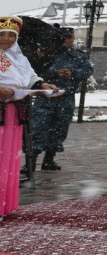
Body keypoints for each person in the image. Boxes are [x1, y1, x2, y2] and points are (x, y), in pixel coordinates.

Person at [1, 17, 58, 217]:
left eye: (11, 35)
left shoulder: (19, 58)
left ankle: (4, 204)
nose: (6, 38)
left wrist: (43, 85)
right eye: (1, 34)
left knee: (8, 157)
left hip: (14, 111)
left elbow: (30, 77)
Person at [29, 27, 93, 171]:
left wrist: (72, 73)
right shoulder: (47, 53)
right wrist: (55, 72)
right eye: (63, 38)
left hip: (66, 97)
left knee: (59, 128)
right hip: (45, 97)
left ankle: (49, 160)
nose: (66, 40)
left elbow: (87, 70)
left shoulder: (78, 55)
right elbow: (35, 71)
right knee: (38, 128)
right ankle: (30, 161)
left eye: (69, 37)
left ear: (73, 38)